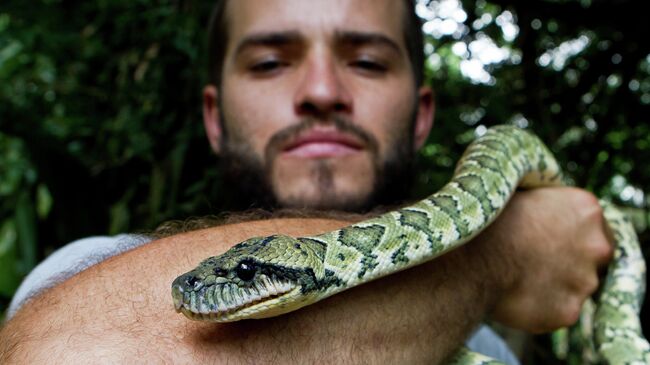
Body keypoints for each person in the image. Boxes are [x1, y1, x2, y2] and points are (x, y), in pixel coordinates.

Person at [0, 0, 613, 363]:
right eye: (270, 62)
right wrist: (503, 252)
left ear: (424, 113)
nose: (321, 93)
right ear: (212, 116)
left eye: (367, 61)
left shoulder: (487, 341)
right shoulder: (90, 269)